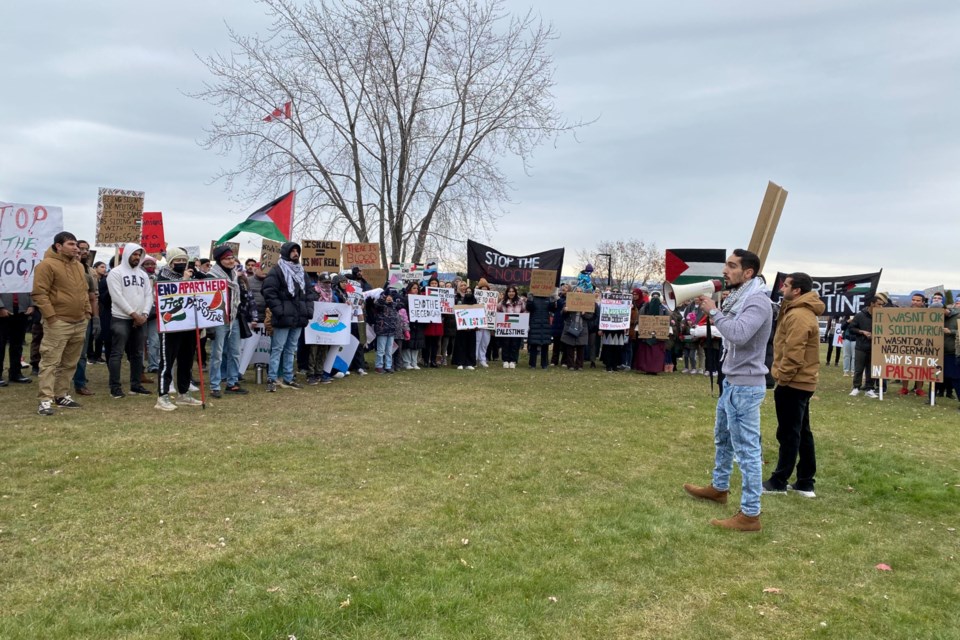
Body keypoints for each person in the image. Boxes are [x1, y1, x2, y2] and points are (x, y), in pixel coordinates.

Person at [683, 249, 773, 532]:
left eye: (732, 266)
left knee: (747, 451)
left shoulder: (758, 301)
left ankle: (750, 514)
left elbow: (739, 333)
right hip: (733, 382)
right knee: (722, 438)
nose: (725, 271)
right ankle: (719, 488)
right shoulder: (740, 298)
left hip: (745, 386)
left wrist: (713, 311)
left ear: (748, 273)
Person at [762, 273, 825, 498]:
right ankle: (805, 482)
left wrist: (781, 376)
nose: (781, 288)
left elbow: (794, 352)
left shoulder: (799, 314)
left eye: (786, 285)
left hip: (794, 382)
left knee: (788, 433)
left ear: (797, 290)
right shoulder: (797, 310)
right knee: (801, 431)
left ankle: (779, 480)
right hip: (800, 382)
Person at [31, 231, 92, 415]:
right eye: (72, 245)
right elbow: (39, 293)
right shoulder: (46, 265)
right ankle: (45, 400)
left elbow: (84, 291)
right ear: (59, 246)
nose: (76, 248)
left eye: (76, 245)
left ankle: (61, 394)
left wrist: (87, 312)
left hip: (79, 321)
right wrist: (51, 317)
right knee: (50, 362)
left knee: (70, 362)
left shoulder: (80, 267)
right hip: (58, 322)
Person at [153, 247, 204, 410]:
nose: (182, 263)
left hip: (188, 325)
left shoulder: (191, 275)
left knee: (186, 360)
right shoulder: (162, 276)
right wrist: (183, 280)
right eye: (178, 261)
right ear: (170, 262)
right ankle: (162, 396)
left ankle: (183, 393)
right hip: (170, 326)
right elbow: (168, 293)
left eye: (184, 260)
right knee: (167, 361)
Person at [262, 242, 316, 391]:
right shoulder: (277, 270)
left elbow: (310, 292)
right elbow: (268, 291)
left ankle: (288, 377)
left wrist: (308, 310)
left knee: (291, 349)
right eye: (292, 251)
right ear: (286, 252)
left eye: (297, 251)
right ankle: (272, 379)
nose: (295, 253)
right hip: (284, 317)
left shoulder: (301, 272)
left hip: (299, 317)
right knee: (278, 348)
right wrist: (280, 310)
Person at [106, 243, 154, 399]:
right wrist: (134, 314)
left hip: (140, 319)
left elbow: (148, 294)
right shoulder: (115, 273)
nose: (137, 257)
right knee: (117, 353)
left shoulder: (143, 274)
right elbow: (117, 296)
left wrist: (145, 314)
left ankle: (136, 385)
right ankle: (115, 387)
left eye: (139, 254)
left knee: (137, 354)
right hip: (121, 318)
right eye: (134, 254)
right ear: (126, 254)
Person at [70, 239, 100, 396]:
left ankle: (80, 383)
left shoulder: (91, 272)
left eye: (86, 249)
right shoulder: (64, 268)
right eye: (80, 248)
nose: (84, 251)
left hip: (84, 317)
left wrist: (95, 318)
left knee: (81, 353)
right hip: (65, 316)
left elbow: (93, 297)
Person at [849, 293, 889, 398]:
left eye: (882, 305)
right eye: (879, 304)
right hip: (861, 347)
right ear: (872, 304)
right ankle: (856, 387)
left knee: (871, 370)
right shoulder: (860, 315)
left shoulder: (883, 316)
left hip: (875, 348)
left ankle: (869, 388)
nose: (881, 307)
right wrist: (862, 332)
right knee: (858, 369)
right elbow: (851, 329)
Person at [0, 291, 34, 386]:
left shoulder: (25, 275)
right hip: (3, 309)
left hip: (21, 310)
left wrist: (31, 304)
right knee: (0, 344)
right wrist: (1, 307)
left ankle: (15, 373)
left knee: (17, 344)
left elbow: (30, 287)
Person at [899, 292, 927, 397]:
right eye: (913, 300)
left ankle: (919, 389)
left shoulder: (928, 314)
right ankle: (904, 388)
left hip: (922, 345)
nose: (915, 302)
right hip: (906, 343)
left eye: (918, 300)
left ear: (923, 302)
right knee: (906, 366)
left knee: (920, 367)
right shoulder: (905, 312)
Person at [633, 291, 668, 374]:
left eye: (657, 297)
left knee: (656, 354)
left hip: (658, 336)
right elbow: (640, 318)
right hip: (647, 335)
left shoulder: (663, 309)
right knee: (646, 353)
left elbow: (667, 319)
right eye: (654, 297)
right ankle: (646, 368)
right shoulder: (645, 307)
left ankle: (655, 369)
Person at [525, 289, 555, 369]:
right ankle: (532, 364)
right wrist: (530, 300)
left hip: (545, 323)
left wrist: (552, 301)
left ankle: (544, 364)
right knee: (533, 344)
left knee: (545, 345)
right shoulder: (533, 298)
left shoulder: (548, 298)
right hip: (535, 323)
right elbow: (529, 308)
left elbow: (552, 309)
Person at [497, 285, 524, 368]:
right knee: (506, 343)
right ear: (507, 293)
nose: (511, 293)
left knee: (515, 343)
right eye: (509, 291)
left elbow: (524, 311)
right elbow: (497, 310)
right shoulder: (503, 302)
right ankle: (505, 360)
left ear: (515, 292)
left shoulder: (520, 301)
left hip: (517, 326)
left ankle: (513, 360)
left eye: (513, 291)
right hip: (506, 326)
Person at [452, 281, 477, 369]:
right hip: (461, 326)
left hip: (471, 327)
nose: (463, 287)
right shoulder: (456, 298)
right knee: (460, 344)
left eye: (465, 285)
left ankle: (469, 363)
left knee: (471, 344)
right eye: (461, 286)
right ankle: (460, 362)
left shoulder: (474, 299)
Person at [374, 288, 400, 373]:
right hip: (382, 330)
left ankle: (388, 366)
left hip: (391, 330)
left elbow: (400, 304)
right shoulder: (380, 304)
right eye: (387, 296)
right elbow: (377, 304)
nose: (389, 298)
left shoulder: (394, 305)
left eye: (391, 296)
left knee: (389, 350)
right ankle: (379, 366)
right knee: (381, 350)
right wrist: (384, 299)